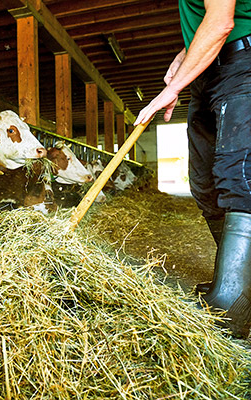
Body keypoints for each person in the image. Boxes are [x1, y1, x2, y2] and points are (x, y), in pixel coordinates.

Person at [135, 0, 251, 338]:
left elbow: (220, 22)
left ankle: (233, 301)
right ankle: (232, 279)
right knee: (204, 181)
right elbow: (206, 22)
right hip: (209, 71)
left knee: (239, 174)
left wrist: (171, 90)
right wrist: (187, 53)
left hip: (241, 62)